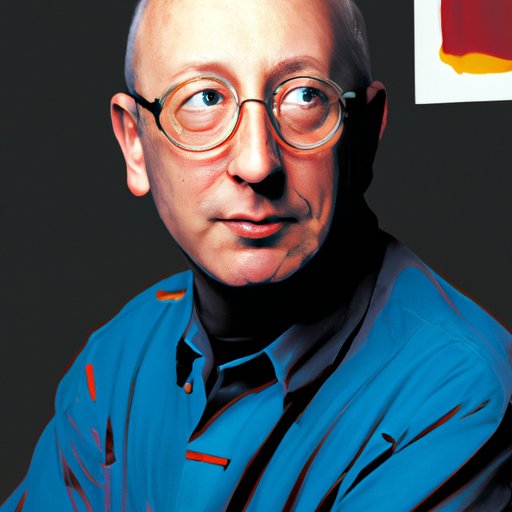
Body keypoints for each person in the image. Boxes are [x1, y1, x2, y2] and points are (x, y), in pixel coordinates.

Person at [2, 0, 511, 510]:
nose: (256, 162)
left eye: (305, 95)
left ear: (364, 131)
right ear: (135, 143)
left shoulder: (459, 396)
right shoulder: (116, 360)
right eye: (203, 97)